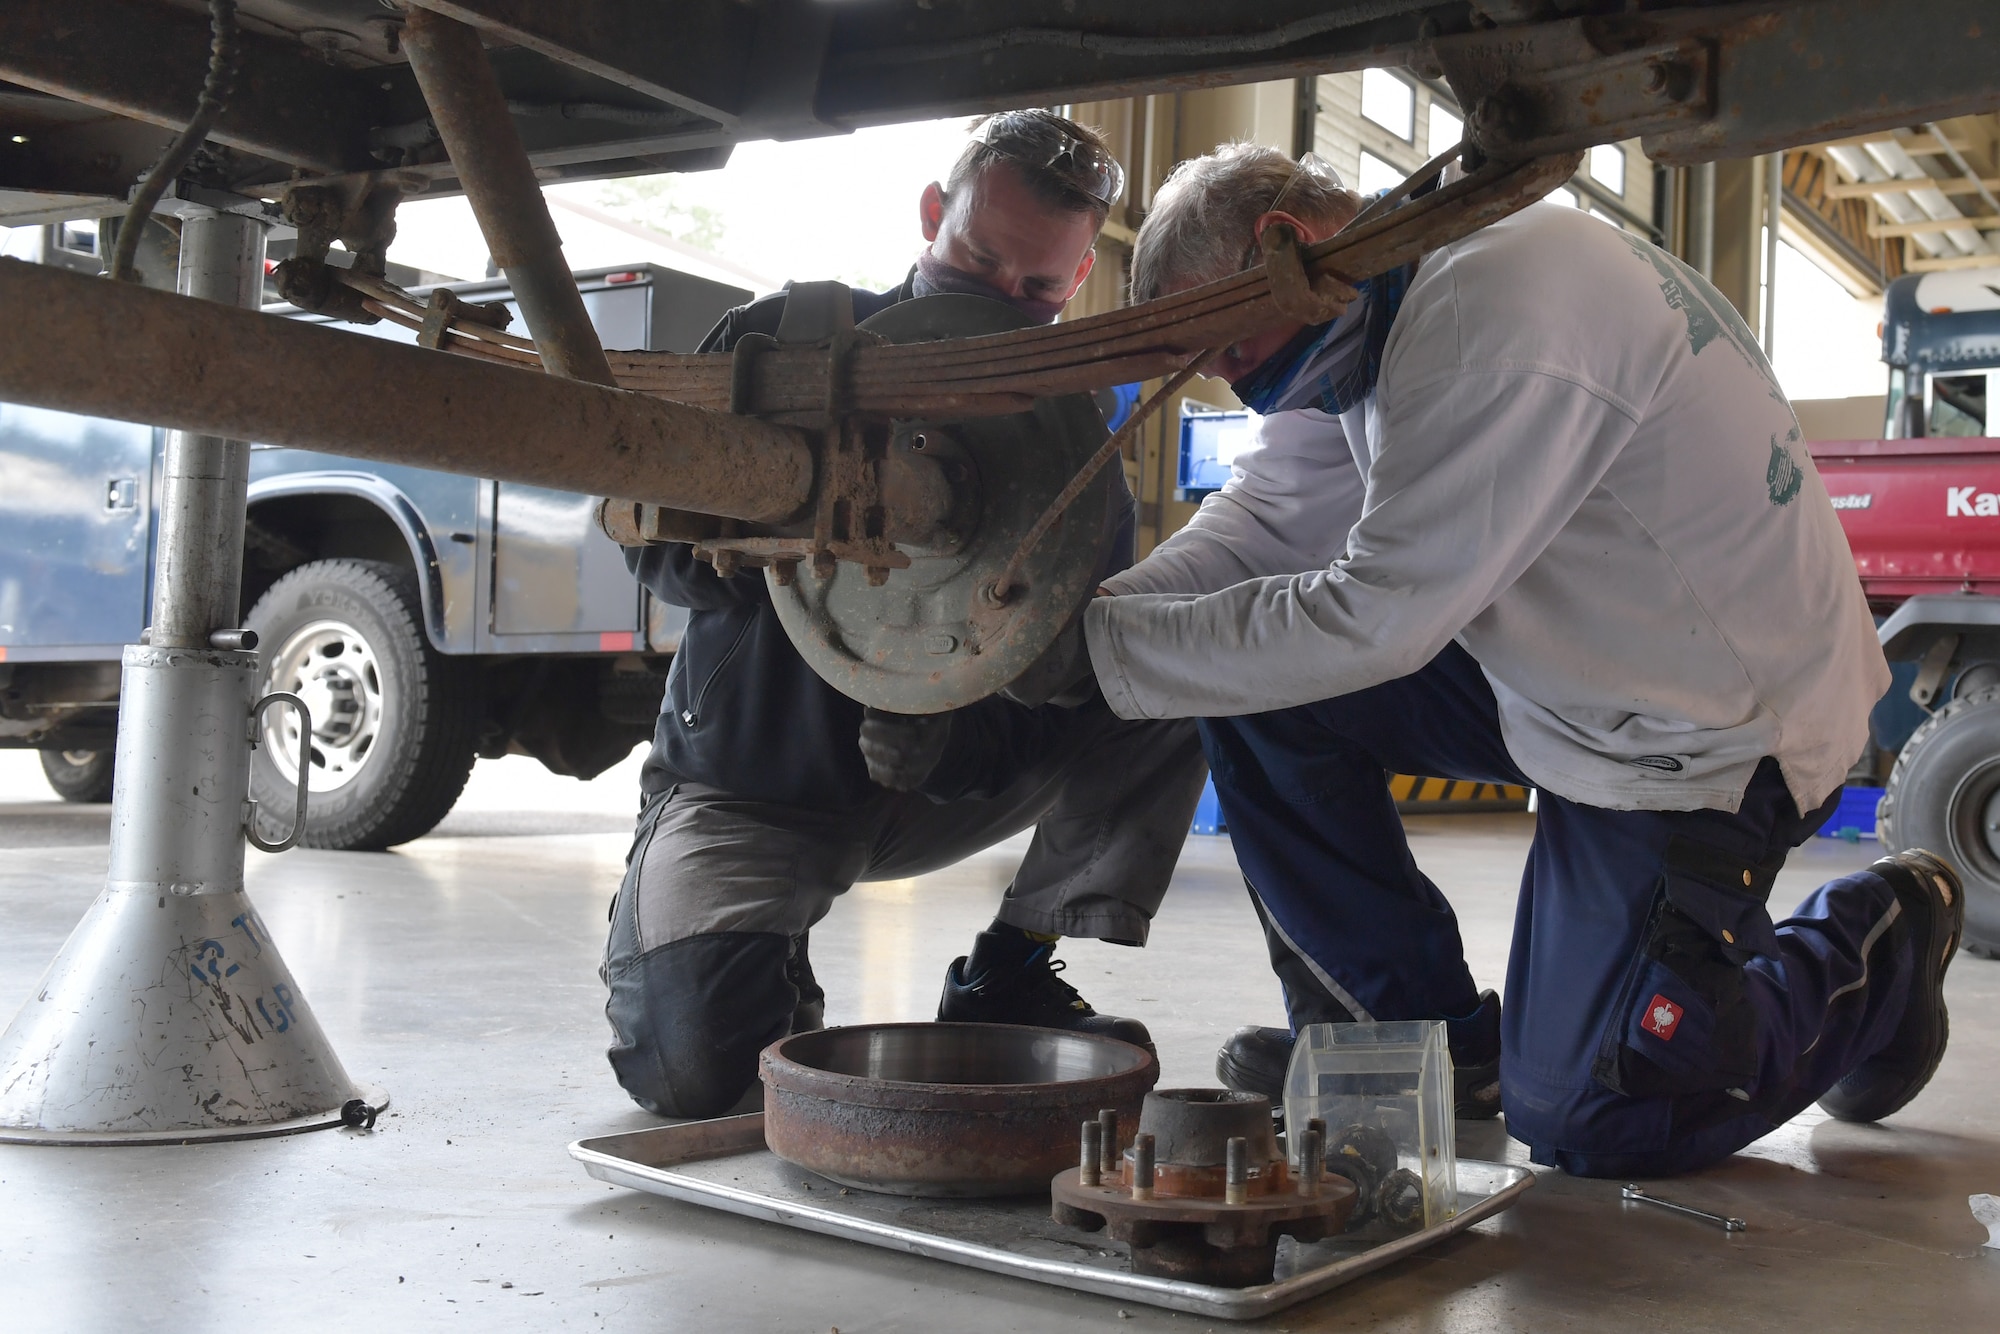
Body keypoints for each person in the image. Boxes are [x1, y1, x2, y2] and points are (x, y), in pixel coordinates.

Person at [1046, 141, 1964, 1177]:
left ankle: (1873, 938)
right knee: (1253, 685)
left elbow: (1373, 617)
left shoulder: (1498, 312)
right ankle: (1416, 1040)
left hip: (1711, 725)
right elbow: (1266, 517)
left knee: (1596, 1115)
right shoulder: (1366, 313)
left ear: (1284, 245)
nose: (1218, 372)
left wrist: (1100, 654)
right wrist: (1096, 614)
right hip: (1580, 672)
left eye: (1221, 342)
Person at [602, 111, 1210, 1120]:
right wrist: (776, 531)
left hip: (931, 792)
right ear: (934, 214)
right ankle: (742, 956)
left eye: (1036, 290)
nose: (1002, 300)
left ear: (1073, 286)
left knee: (1181, 671)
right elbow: (651, 544)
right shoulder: (778, 344)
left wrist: (949, 746)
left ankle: (1010, 969)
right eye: (978, 260)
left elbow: (1058, 682)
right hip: (757, 792)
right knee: (697, 1075)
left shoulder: (1074, 460)